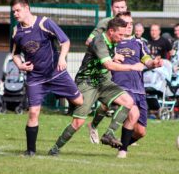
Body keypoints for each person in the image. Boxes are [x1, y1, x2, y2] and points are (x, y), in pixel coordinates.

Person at [49, 18, 144, 156]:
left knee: (128, 102)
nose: (122, 38)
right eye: (120, 35)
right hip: (87, 83)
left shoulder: (113, 41)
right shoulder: (99, 42)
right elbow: (109, 65)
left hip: (103, 81)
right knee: (78, 122)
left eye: (124, 35)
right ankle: (55, 149)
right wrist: (132, 67)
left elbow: (109, 61)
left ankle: (109, 134)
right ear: (111, 31)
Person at [10, 0, 83, 156]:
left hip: (56, 74)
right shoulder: (17, 31)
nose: (15, 14)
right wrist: (20, 65)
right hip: (35, 78)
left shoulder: (44, 23)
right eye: (13, 11)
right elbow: (14, 54)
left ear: (27, 8)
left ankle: (67, 103)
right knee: (34, 112)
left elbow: (65, 41)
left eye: (18, 10)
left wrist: (62, 58)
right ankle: (30, 151)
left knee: (80, 102)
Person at [87, 11, 163, 158]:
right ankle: (122, 151)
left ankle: (118, 142)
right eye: (125, 23)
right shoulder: (112, 42)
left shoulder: (139, 43)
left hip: (139, 90)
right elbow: (101, 57)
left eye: (131, 23)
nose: (129, 26)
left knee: (141, 131)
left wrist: (154, 63)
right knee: (132, 113)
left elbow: (147, 60)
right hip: (120, 85)